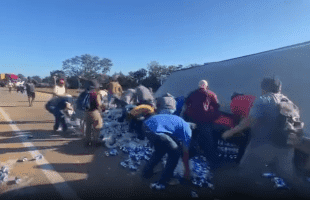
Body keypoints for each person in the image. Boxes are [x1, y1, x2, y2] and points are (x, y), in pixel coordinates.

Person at [221, 77, 308, 195]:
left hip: (263, 145)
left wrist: (230, 132)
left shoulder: (264, 99)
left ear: (264, 88)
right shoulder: (289, 102)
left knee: (245, 170)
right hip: (286, 144)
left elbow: (249, 121)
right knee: (288, 174)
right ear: (280, 88)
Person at [142, 114, 192, 187]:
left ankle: (146, 172)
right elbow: (185, 152)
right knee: (175, 153)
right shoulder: (188, 131)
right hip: (156, 131)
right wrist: (187, 171)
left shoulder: (180, 122)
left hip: (146, 126)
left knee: (160, 150)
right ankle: (166, 179)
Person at [182, 80, 221, 169]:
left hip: (192, 120)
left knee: (192, 139)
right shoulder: (211, 93)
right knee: (208, 141)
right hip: (205, 120)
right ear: (206, 86)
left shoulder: (192, 93)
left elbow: (186, 104)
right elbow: (217, 105)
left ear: (199, 85)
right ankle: (213, 163)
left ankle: (188, 160)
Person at [84, 79, 106, 147]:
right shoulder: (96, 94)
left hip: (86, 112)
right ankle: (96, 142)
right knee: (97, 127)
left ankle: (88, 142)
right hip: (94, 112)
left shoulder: (85, 93)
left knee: (88, 128)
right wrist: (103, 109)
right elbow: (98, 104)